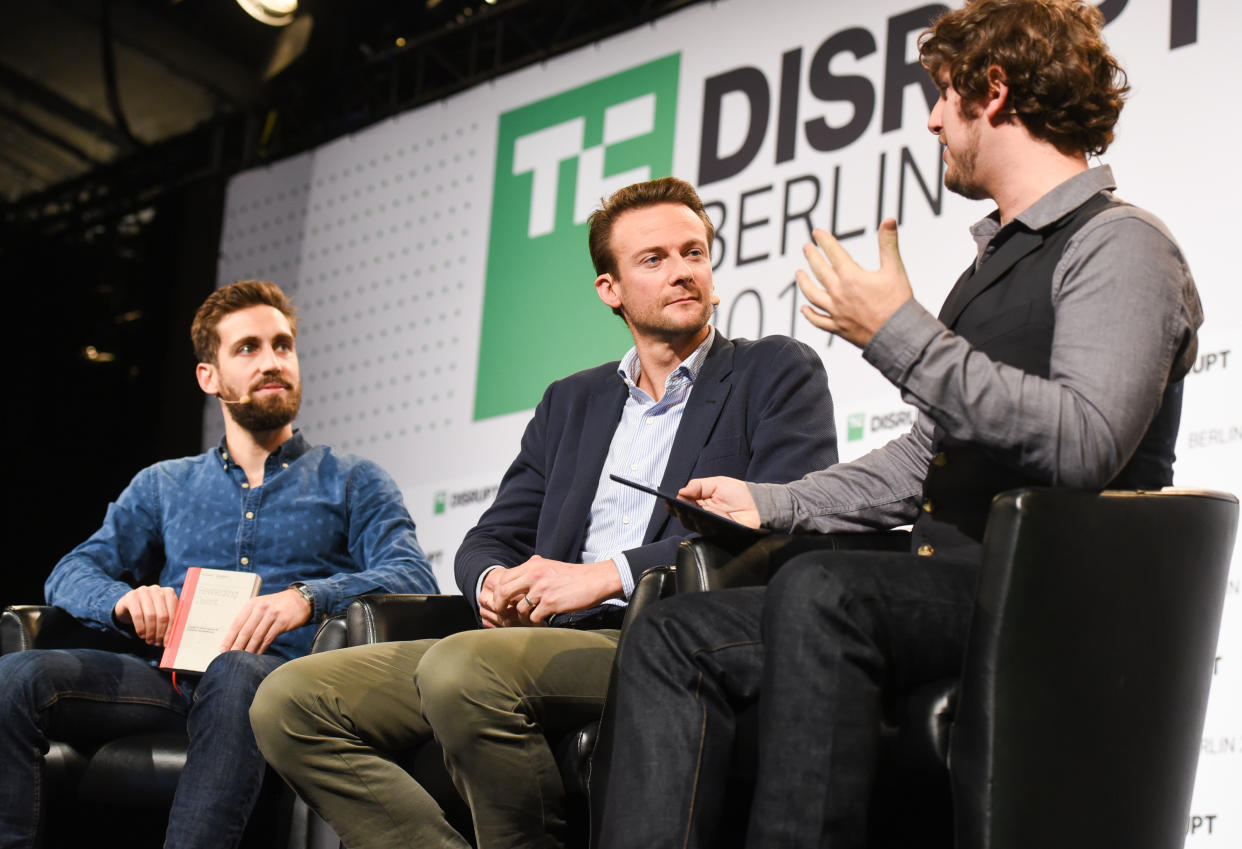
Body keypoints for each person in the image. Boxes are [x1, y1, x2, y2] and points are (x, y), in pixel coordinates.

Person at [595, 2, 1203, 848]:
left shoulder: (1121, 246)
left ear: (993, 92)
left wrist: (896, 332)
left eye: (944, 96)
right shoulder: (991, 267)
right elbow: (926, 459)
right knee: (670, 634)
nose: (930, 119)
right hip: (949, 583)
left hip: (1049, 596)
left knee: (826, 586)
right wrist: (771, 503)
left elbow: (1084, 442)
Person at [249, 176, 838, 849]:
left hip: (658, 636)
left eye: (695, 252)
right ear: (608, 289)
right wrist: (491, 582)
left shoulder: (773, 371)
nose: (683, 272)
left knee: (462, 671)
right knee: (288, 701)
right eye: (655, 258)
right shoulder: (572, 401)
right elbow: (489, 536)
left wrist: (603, 574)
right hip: (533, 636)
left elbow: (782, 526)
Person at [0, 280, 439, 849]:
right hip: (169, 681)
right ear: (210, 377)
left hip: (279, 679)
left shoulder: (352, 479)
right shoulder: (164, 484)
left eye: (283, 345)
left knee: (235, 670)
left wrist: (306, 596)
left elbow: (410, 575)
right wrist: (125, 600)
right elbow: (71, 572)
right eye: (248, 349)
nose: (273, 361)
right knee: (15, 677)